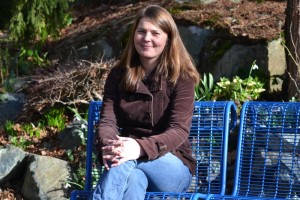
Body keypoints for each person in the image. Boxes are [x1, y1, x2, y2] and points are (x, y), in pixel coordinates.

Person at [88, 4, 200, 200]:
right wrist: (109, 145)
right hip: (128, 158)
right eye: (141, 32)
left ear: (168, 38)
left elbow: (179, 130)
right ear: (134, 35)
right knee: (133, 180)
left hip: (172, 165)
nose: (147, 38)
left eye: (155, 33)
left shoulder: (181, 77)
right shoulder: (118, 75)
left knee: (125, 160)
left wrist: (138, 148)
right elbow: (107, 122)